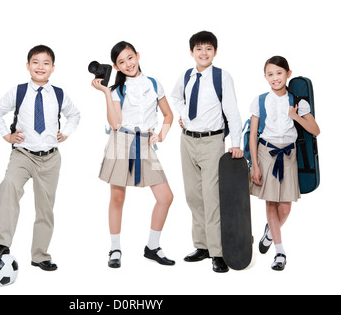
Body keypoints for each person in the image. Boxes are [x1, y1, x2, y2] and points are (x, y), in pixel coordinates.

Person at [0, 44, 80, 271]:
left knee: (45, 207)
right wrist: (6, 135)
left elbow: (75, 114)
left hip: (50, 158)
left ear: (53, 68)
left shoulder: (58, 94)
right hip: (23, 154)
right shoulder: (18, 91)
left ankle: (40, 255)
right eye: (35, 62)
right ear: (27, 66)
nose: (40, 67)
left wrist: (65, 132)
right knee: (9, 185)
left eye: (46, 63)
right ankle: (0, 243)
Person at [91, 41, 175, 268]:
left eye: (130, 57)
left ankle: (152, 247)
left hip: (145, 143)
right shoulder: (118, 89)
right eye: (121, 62)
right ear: (115, 67)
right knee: (117, 197)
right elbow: (116, 123)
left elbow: (168, 115)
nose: (128, 64)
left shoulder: (154, 83)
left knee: (165, 197)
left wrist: (162, 134)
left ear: (137, 55)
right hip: (121, 142)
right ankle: (115, 248)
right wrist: (106, 93)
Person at [170, 31, 243, 273]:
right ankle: (201, 246)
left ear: (215, 52)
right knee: (193, 195)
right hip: (187, 141)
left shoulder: (222, 77)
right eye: (199, 49)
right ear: (191, 52)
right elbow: (175, 97)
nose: (204, 53)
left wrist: (236, 143)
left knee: (212, 198)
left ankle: (218, 251)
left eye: (208, 49)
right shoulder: (186, 76)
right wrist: (184, 116)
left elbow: (232, 111)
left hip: (212, 143)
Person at [250, 56, 320, 271]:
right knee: (271, 203)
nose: (275, 78)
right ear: (265, 77)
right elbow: (253, 135)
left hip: (289, 155)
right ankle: (280, 252)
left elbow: (316, 130)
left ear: (288, 74)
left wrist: (296, 116)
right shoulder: (260, 100)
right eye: (270, 74)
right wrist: (255, 165)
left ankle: (270, 231)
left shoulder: (299, 101)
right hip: (266, 153)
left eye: (279, 73)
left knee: (286, 207)